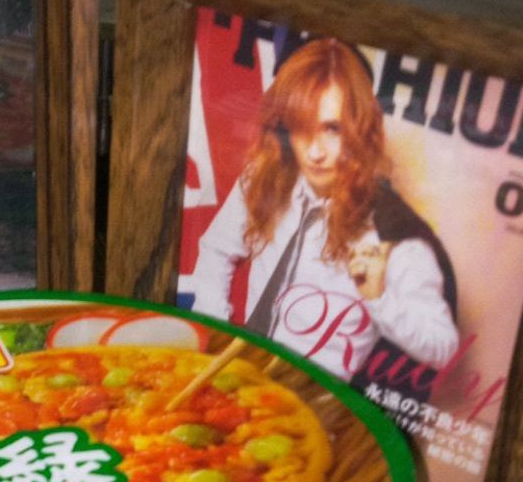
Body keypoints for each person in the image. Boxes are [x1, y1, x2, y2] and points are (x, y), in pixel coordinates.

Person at [191, 38, 458, 386]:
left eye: (332, 129)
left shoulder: (390, 232)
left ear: (359, 128)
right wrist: (215, 335)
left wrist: (380, 298)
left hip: (314, 398)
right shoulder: (266, 177)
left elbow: (443, 347)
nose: (315, 152)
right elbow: (216, 249)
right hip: (239, 374)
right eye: (301, 128)